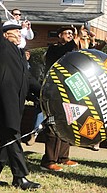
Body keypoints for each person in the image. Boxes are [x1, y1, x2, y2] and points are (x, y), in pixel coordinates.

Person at [0, 0, 41, 189]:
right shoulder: (0, 46)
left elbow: (28, 79)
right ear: (7, 34)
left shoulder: (19, 53)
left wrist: (44, 91)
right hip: (4, 101)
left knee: (7, 139)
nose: (19, 33)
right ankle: (20, 177)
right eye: (16, 31)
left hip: (17, 102)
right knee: (13, 136)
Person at [41, 26, 79, 172]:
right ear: (59, 35)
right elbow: (63, 52)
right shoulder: (54, 49)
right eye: (67, 33)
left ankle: (63, 157)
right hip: (54, 91)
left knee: (68, 123)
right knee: (53, 126)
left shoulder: (71, 50)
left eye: (71, 33)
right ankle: (48, 160)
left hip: (68, 91)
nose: (70, 35)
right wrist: (76, 38)